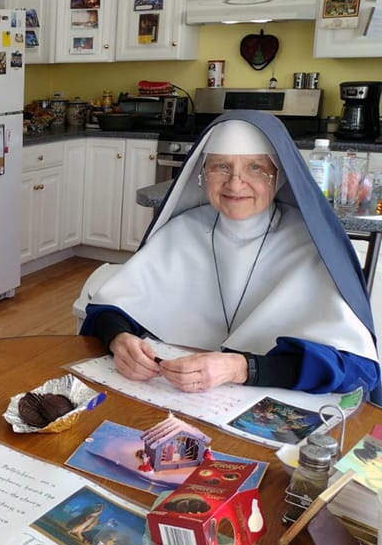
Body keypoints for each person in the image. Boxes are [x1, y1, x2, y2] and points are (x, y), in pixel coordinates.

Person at [81, 110, 380, 397]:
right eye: (220, 166)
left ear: (279, 176)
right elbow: (108, 311)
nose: (235, 183)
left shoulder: (312, 246)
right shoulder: (180, 232)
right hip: (169, 395)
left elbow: (356, 367)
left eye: (256, 168)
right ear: (202, 174)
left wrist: (242, 368)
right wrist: (119, 339)